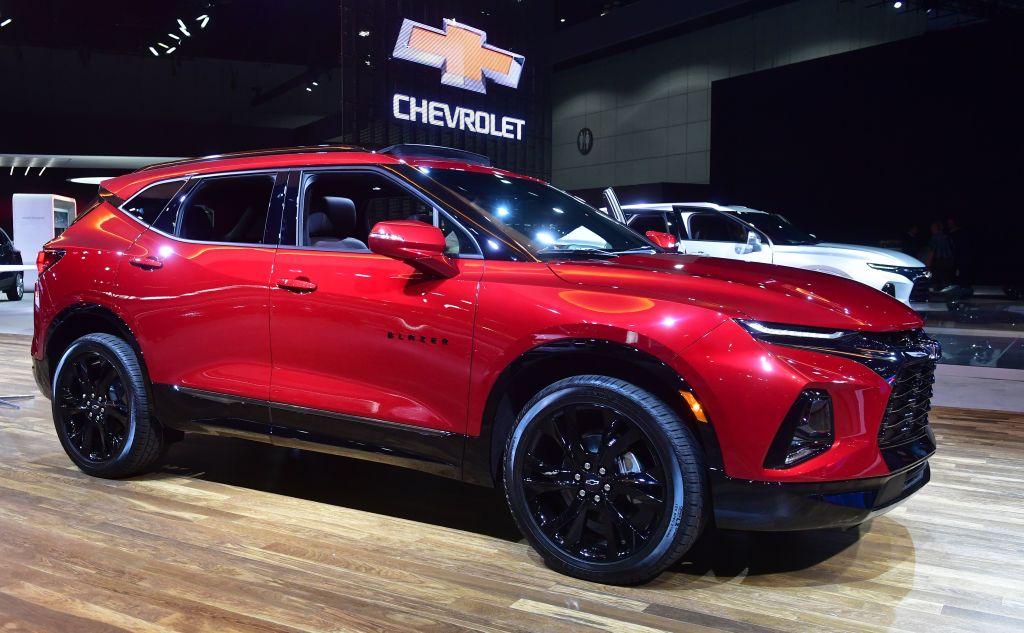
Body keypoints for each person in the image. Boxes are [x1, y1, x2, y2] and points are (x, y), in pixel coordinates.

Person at [947, 215, 973, 296]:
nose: (949, 224)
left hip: (960, 257)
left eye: (950, 223)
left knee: (961, 274)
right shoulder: (951, 234)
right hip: (956, 258)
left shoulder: (959, 234)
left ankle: (963, 290)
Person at [927, 220, 954, 292]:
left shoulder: (934, 238)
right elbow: (952, 249)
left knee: (936, 280)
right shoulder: (947, 237)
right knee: (946, 279)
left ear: (935, 228)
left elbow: (931, 252)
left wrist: (928, 265)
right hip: (948, 261)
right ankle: (949, 295)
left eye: (932, 228)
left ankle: (937, 296)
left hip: (938, 262)